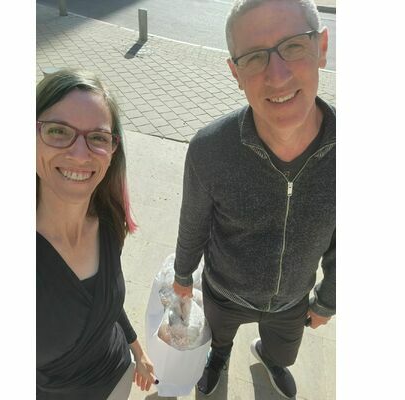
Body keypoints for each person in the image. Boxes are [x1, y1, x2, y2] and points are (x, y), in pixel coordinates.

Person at [172, 0, 335, 398]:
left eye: (293, 46)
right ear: (236, 73)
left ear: (322, 48)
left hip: (292, 301)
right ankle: (219, 357)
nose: (277, 76)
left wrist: (328, 299)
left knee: (283, 353)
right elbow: (193, 222)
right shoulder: (209, 148)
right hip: (224, 292)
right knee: (218, 340)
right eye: (254, 57)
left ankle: (271, 358)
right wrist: (182, 276)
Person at [36, 69, 157, 399]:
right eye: (58, 131)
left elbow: (106, 305)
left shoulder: (108, 222)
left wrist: (138, 351)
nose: (80, 154)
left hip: (118, 379)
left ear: (113, 150)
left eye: (98, 138)